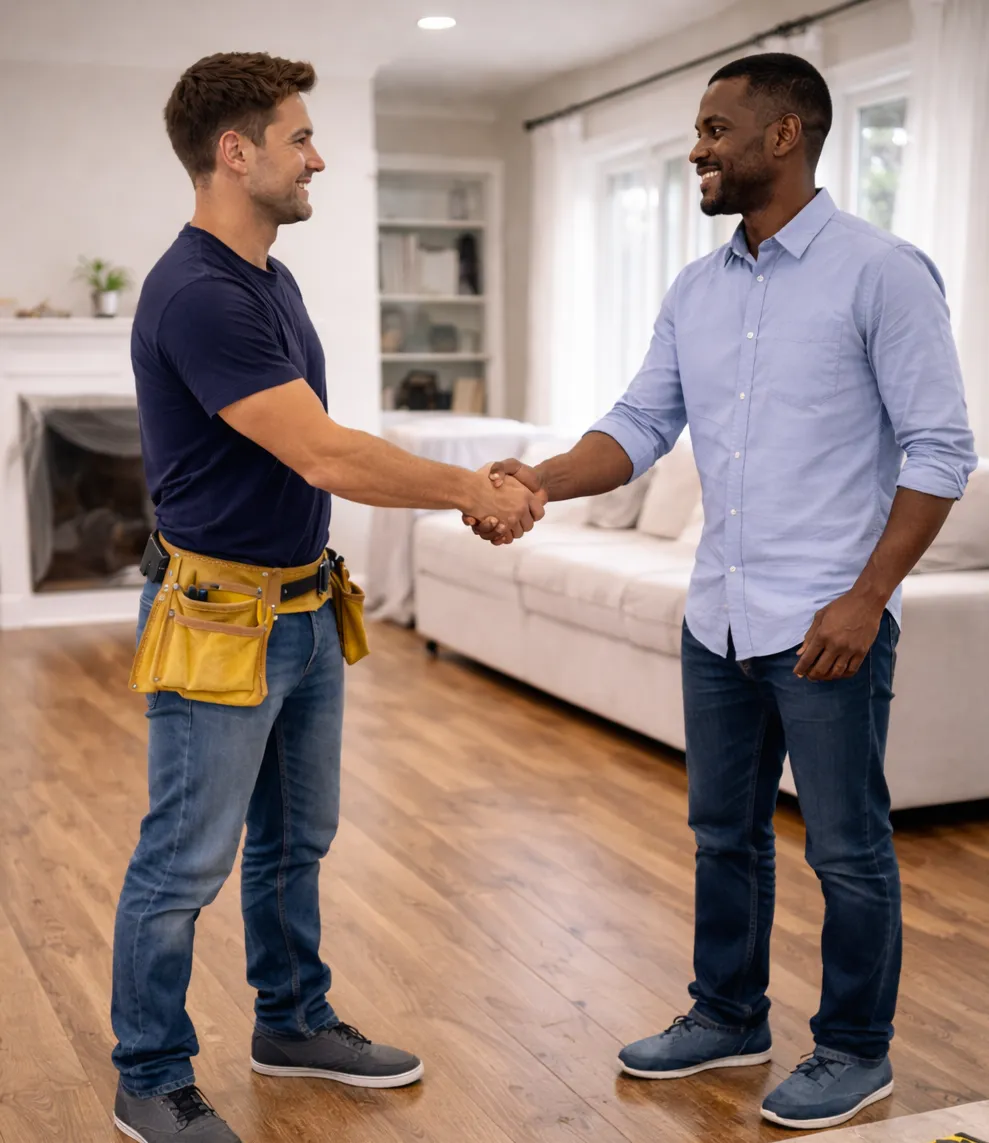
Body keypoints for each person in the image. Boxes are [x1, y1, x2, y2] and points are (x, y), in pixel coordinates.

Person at [467, 53, 977, 1132]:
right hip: (719, 618)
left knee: (846, 849)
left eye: (713, 128)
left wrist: (867, 596)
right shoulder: (695, 290)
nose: (695, 148)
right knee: (722, 835)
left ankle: (855, 1050)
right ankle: (727, 1015)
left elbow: (939, 450)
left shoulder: (881, 272)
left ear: (783, 134)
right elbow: (638, 425)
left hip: (826, 623)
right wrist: (535, 479)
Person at [112, 51, 544, 1143]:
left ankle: (293, 1021)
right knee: (184, 860)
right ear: (234, 151)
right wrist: (470, 489)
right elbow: (324, 453)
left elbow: (320, 444)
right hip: (219, 619)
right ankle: (150, 1075)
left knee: (295, 839)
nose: (319, 157)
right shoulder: (200, 294)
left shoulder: (269, 277)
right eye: (299, 137)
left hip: (304, 607)